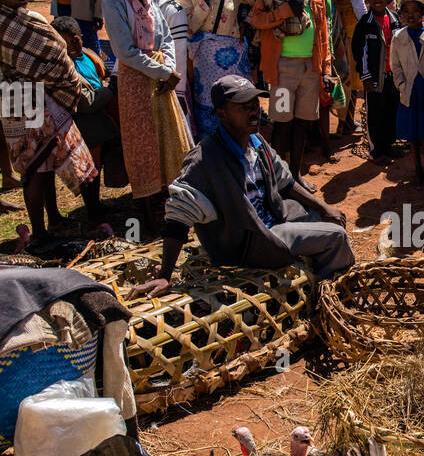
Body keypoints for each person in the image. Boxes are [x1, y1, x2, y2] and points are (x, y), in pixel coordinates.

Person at [129, 75, 353, 298]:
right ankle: (324, 297)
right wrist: (165, 273)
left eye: (255, 104)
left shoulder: (256, 142)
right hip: (248, 240)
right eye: (243, 108)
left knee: (324, 216)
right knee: (337, 236)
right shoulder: (205, 159)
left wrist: (324, 208)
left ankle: (311, 277)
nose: (254, 111)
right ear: (222, 114)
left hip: (270, 220)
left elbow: (285, 183)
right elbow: (178, 217)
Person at [0, 0, 100, 241]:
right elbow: (52, 56)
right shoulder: (11, 23)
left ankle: (51, 221)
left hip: (14, 96)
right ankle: (45, 231)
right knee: (38, 164)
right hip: (26, 96)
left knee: (38, 163)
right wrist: (65, 79)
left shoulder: (23, 18)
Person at [101, 0, 190, 224]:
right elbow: (125, 51)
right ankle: (146, 207)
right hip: (136, 77)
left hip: (161, 73)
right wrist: (164, 73)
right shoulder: (112, 0)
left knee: (166, 137)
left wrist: (170, 69)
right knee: (142, 141)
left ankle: (167, 199)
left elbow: (165, 38)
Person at [266, 0, 332, 180]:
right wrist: (284, 10)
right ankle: (276, 177)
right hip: (284, 68)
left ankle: (295, 176)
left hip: (310, 69)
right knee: (283, 123)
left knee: (303, 122)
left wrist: (325, 70)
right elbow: (258, 19)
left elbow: (323, 33)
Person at [174, 0, 253, 137]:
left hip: (235, 56)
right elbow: (190, 25)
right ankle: (212, 152)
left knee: (239, 103)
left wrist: (247, 20)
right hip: (205, 60)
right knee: (211, 105)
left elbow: (257, 0)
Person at [52, 14, 118, 215]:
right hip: (85, 125)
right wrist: (110, 91)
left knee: (100, 165)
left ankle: (96, 204)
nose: (72, 45)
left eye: (75, 39)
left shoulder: (89, 55)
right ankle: (92, 209)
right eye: (65, 42)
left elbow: (102, 76)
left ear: (81, 35)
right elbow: (86, 103)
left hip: (102, 118)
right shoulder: (63, 67)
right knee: (89, 169)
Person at [352, 0, 400, 162]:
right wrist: (366, 78)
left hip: (393, 76)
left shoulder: (395, 19)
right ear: (368, 0)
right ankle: (375, 150)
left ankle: (388, 145)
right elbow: (360, 52)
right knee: (375, 113)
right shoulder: (365, 23)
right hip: (374, 78)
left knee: (391, 109)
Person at [391, 0, 424, 183]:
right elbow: (395, 66)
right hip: (410, 92)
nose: (411, 15)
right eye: (406, 11)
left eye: (415, 11)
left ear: (423, 12)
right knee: (413, 135)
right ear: (401, 14)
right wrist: (401, 85)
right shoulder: (398, 37)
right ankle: (417, 168)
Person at [331, 0, 368, 134]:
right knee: (354, 71)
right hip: (350, 19)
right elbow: (357, 2)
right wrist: (367, 25)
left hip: (333, 17)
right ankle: (346, 122)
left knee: (336, 68)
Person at [309, 0, 343, 156]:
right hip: (315, 46)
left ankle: (320, 139)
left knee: (324, 93)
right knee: (319, 94)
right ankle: (322, 142)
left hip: (326, 42)